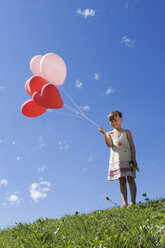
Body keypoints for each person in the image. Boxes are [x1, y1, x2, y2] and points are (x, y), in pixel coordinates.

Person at [99, 110, 138, 207]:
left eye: (115, 120)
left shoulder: (126, 132)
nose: (114, 123)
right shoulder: (110, 134)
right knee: (121, 180)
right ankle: (124, 202)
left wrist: (134, 158)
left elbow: (132, 146)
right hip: (117, 160)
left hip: (128, 159)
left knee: (131, 179)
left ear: (121, 119)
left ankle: (132, 201)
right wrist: (104, 133)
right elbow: (110, 145)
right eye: (111, 121)